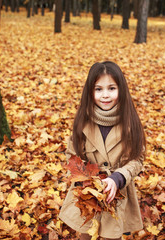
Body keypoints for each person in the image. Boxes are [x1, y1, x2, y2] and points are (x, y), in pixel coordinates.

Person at [59, 61, 146, 240]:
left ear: (121, 90)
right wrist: (87, 180)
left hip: (117, 194)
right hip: (87, 195)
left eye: (111, 88)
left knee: (111, 235)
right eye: (98, 89)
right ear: (90, 92)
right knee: (85, 234)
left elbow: (138, 159)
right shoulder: (82, 122)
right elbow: (72, 156)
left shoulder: (130, 123)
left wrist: (118, 177)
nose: (105, 95)